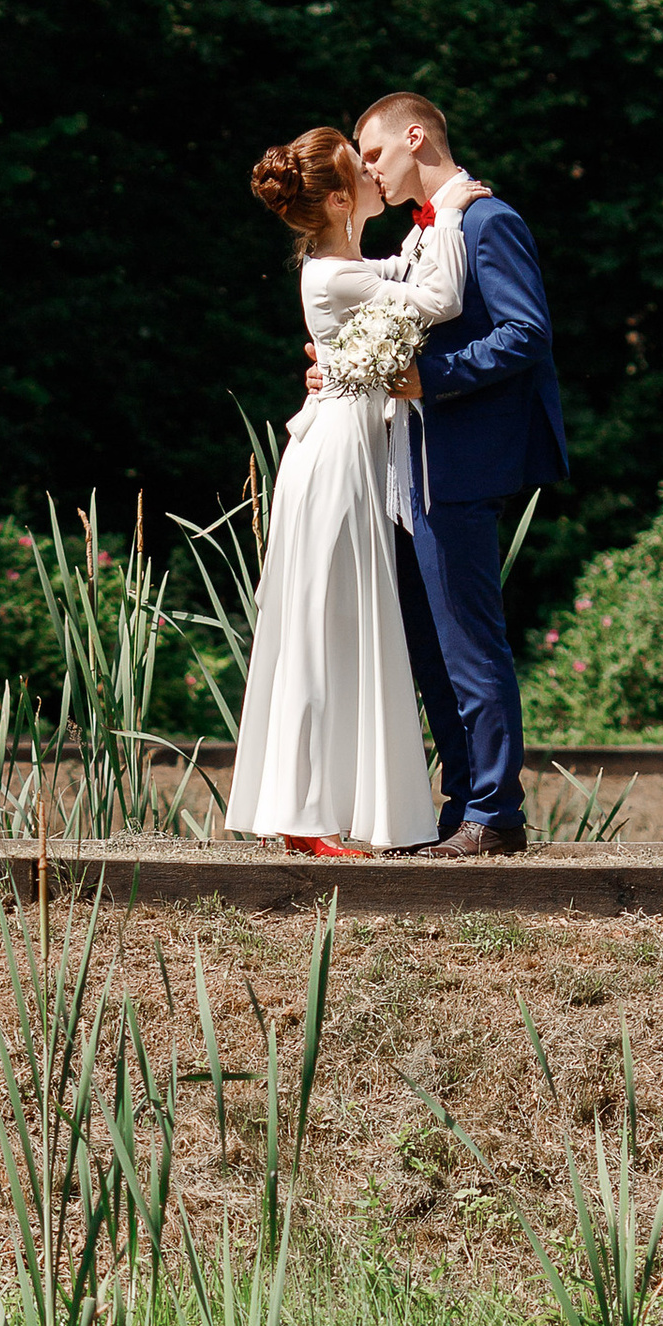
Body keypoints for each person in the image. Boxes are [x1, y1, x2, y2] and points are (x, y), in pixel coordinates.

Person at [226, 127, 483, 858]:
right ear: (341, 200)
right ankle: (304, 815)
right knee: (325, 625)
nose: (375, 174)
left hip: (348, 448)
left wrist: (431, 224)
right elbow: (438, 294)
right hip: (338, 460)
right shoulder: (334, 275)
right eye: (360, 170)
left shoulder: (343, 266)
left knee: (341, 625)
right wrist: (451, 210)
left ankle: (316, 808)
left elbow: (399, 272)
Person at [347, 88, 570, 860]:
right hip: (405, 472)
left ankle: (495, 812)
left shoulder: (486, 221)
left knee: (470, 644)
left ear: (415, 137)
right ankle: (460, 808)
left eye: (374, 153)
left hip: (458, 468)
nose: (369, 170)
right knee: (431, 651)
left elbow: (526, 333)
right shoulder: (423, 234)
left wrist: (429, 378)